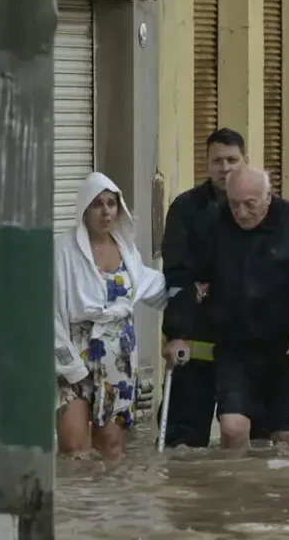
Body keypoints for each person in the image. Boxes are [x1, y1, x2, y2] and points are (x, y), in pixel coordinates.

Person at [162, 167, 289, 450]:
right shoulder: (212, 222)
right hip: (234, 346)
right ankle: (235, 491)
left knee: (283, 442)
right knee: (233, 428)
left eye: (250, 204)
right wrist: (176, 331)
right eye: (234, 203)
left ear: (268, 196)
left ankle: (272, 494)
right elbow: (183, 276)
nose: (242, 212)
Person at [159, 127, 269, 448]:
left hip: (250, 341)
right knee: (183, 442)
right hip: (197, 338)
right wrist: (175, 332)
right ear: (206, 165)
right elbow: (176, 273)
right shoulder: (186, 208)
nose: (225, 168)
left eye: (232, 160)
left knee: (252, 436)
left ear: (245, 161)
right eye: (217, 161)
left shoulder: (267, 206)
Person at [54, 172, 168, 460]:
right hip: (75, 356)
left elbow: (154, 287)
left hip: (119, 357)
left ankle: (110, 505)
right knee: (74, 449)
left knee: (111, 449)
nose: (106, 211)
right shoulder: (62, 251)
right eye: (97, 204)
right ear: (84, 208)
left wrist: (193, 292)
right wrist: (68, 365)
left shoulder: (126, 250)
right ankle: (77, 505)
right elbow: (47, 311)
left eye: (111, 204)